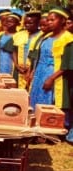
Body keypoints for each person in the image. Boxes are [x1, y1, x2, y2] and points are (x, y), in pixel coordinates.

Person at [29, 8, 73, 136]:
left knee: (51, 101)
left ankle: (49, 131)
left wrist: (51, 78)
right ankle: (37, 127)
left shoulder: (68, 39)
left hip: (55, 74)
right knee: (36, 99)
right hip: (40, 72)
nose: (49, 22)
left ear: (63, 20)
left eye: (52, 20)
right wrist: (33, 72)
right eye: (48, 20)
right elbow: (38, 56)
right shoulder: (46, 36)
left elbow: (67, 64)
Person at [8, 11, 41, 90]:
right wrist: (16, 65)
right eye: (25, 23)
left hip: (33, 69)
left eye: (30, 23)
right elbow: (13, 50)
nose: (27, 25)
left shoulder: (42, 36)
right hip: (18, 69)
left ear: (38, 23)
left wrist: (31, 68)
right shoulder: (19, 35)